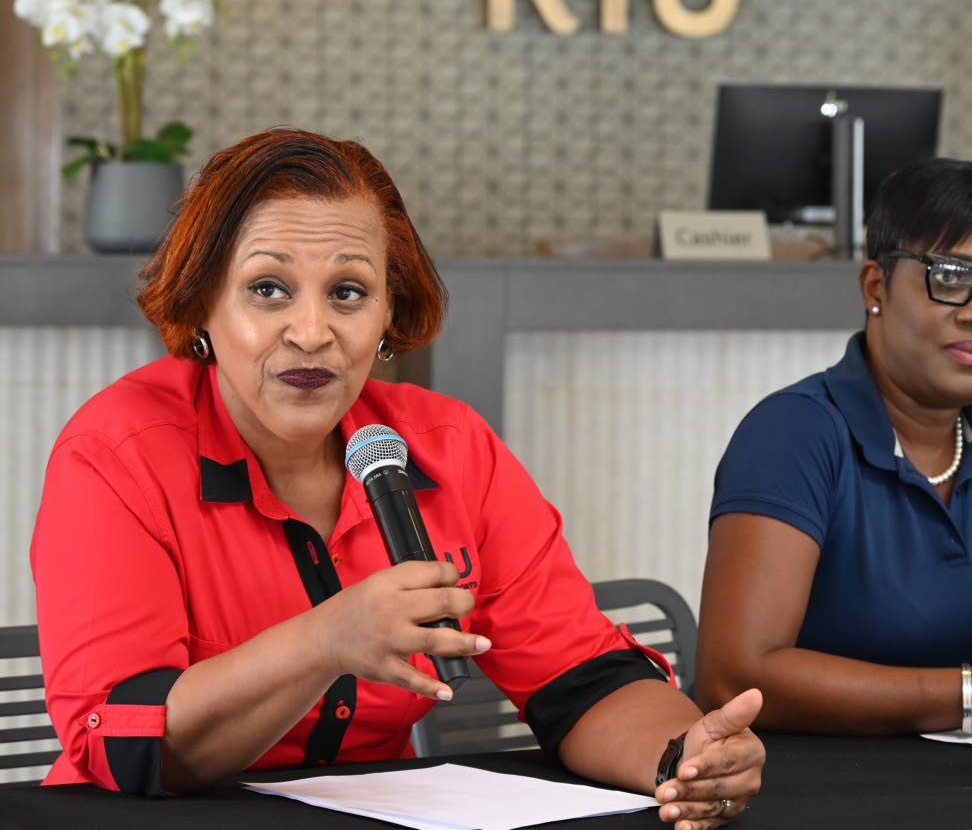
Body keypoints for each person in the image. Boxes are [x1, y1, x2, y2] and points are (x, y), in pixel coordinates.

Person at [31, 128, 764, 825]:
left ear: (387, 315)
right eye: (268, 289)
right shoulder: (116, 455)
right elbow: (119, 737)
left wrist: (686, 754)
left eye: (347, 292)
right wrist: (324, 640)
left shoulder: (451, 447)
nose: (312, 331)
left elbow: (580, 680)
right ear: (202, 305)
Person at [694, 157, 972, 735]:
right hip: (809, 783)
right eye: (950, 276)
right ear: (876, 286)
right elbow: (733, 678)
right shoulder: (794, 432)